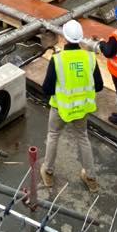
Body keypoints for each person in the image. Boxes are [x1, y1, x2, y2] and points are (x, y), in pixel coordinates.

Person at [40, 19, 102, 193]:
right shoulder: (90, 58)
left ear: (65, 38)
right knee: (83, 137)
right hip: (81, 109)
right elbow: (98, 86)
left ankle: (48, 172)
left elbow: (47, 89)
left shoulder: (58, 60)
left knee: (53, 135)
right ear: (80, 38)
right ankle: (91, 178)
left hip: (60, 108)